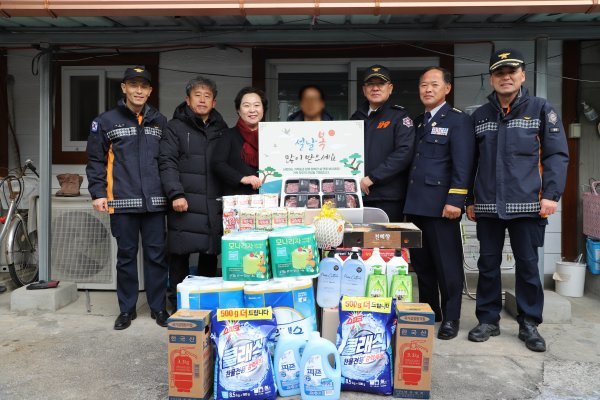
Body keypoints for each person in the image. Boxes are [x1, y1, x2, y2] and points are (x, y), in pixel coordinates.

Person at [466, 49, 569, 352]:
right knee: (487, 264)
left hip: (529, 205)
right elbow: (471, 162)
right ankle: (487, 320)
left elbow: (557, 155)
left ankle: (529, 323)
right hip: (487, 206)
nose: (506, 77)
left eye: (512, 71)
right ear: (491, 79)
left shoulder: (540, 109)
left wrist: (551, 195)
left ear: (523, 75)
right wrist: (470, 199)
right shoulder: (480, 116)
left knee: (527, 266)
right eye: (499, 72)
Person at [86, 66, 169, 330]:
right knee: (126, 256)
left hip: (155, 203)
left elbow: (167, 161)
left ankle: (158, 308)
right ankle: (127, 309)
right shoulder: (106, 121)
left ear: (150, 90)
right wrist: (98, 193)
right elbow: (95, 160)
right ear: (124, 88)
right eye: (133, 85)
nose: (139, 90)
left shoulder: (159, 121)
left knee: (157, 257)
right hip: (121, 201)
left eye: (144, 86)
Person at [404, 67, 475, 340]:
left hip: (442, 207)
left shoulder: (458, 121)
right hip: (416, 206)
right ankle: (430, 309)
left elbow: (463, 163)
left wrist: (456, 199)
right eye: (423, 85)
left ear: (447, 88)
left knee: (447, 265)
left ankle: (452, 317)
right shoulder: (419, 121)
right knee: (422, 265)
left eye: (434, 84)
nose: (428, 89)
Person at [159, 76, 228, 310]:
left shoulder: (221, 129)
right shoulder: (175, 127)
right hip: (184, 202)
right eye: (197, 95)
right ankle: (177, 306)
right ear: (188, 100)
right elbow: (167, 162)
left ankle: (204, 305)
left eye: (207, 96)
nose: (202, 100)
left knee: (209, 254)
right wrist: (175, 194)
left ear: (214, 102)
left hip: (213, 203)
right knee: (179, 255)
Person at [350, 65, 415, 222]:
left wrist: (372, 178)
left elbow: (404, 153)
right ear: (364, 89)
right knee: (357, 244)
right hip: (357, 196)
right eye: (371, 84)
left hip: (388, 198)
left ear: (390, 88)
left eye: (381, 84)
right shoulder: (355, 118)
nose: (375, 88)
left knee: (386, 244)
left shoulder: (399, 117)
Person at [213, 87, 267, 195]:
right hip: (238, 200)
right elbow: (217, 164)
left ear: (263, 109)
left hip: (270, 199)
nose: (252, 110)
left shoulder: (272, 136)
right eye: (246, 105)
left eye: (257, 105)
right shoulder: (228, 135)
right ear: (238, 110)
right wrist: (242, 178)